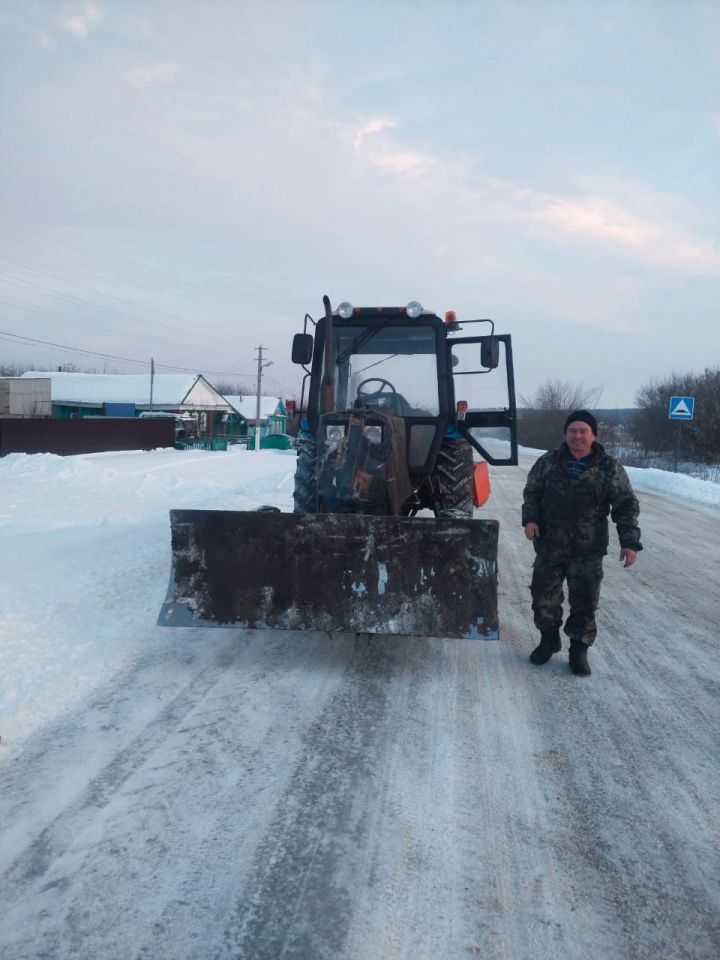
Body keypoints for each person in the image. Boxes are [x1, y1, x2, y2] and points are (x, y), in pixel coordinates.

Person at [521, 410, 642, 676]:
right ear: (565, 435)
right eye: (573, 431)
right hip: (550, 544)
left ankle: (579, 649)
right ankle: (548, 640)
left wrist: (629, 542)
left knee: (585, 602)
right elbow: (532, 493)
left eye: (583, 431)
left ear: (593, 435)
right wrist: (530, 519)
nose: (577, 436)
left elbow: (625, 506)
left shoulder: (610, 468)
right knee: (543, 597)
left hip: (588, 549)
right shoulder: (548, 462)